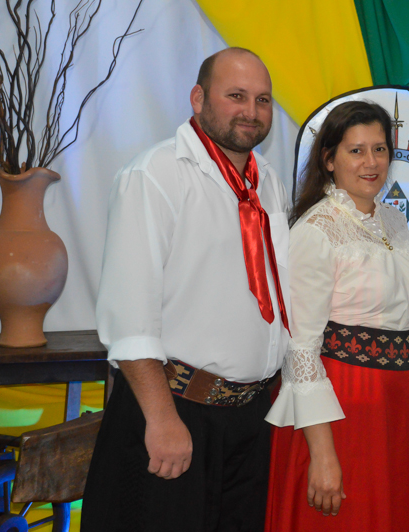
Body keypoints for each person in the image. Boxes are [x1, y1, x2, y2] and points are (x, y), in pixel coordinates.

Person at [81, 48, 290, 532]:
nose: (251, 111)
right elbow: (130, 317)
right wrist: (161, 420)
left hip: (250, 420)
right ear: (198, 98)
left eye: (262, 100)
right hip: (175, 412)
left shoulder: (268, 182)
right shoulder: (154, 175)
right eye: (236, 96)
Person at [264, 100, 409, 531]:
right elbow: (300, 349)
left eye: (380, 149)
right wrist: (322, 453)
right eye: (356, 151)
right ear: (329, 159)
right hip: (341, 406)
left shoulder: (394, 222)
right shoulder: (315, 230)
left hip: (399, 402)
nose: (371, 162)